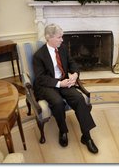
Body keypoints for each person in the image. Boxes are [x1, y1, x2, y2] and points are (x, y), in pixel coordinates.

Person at [32, 23, 98, 154]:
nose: (62, 40)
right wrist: (59, 84)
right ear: (48, 37)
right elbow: (40, 78)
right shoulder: (39, 55)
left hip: (64, 81)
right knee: (57, 103)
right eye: (59, 37)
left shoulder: (62, 49)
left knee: (79, 98)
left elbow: (72, 63)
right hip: (47, 85)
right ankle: (63, 131)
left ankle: (87, 136)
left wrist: (75, 74)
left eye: (62, 37)